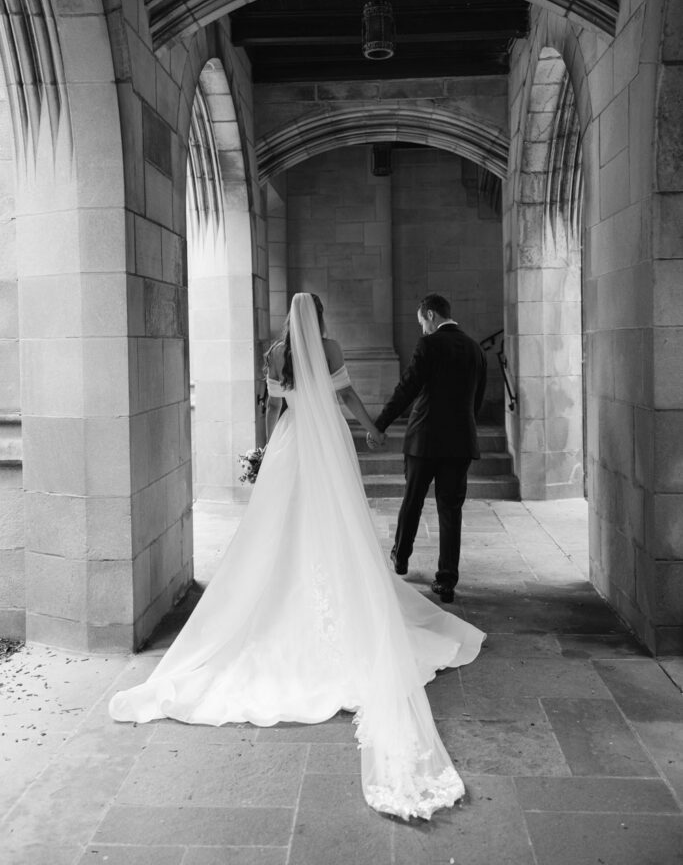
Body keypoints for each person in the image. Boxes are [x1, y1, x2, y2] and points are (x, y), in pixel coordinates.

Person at [109, 293, 485, 820]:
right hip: (327, 441)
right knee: (336, 519)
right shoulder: (328, 347)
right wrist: (371, 430)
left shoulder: (274, 353)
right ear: (321, 319)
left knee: (280, 525)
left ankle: (279, 594)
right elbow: (348, 395)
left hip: (291, 442)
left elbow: (269, 406)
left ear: (289, 318)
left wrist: (263, 448)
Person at [374, 293, 487, 603]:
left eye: (422, 321)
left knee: (412, 501)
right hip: (460, 443)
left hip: (424, 440)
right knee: (450, 511)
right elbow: (475, 401)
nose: (421, 328)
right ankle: (447, 580)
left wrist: (380, 424)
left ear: (432, 316)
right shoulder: (475, 349)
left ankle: (400, 557)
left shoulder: (429, 344)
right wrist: (463, 430)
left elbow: (407, 388)